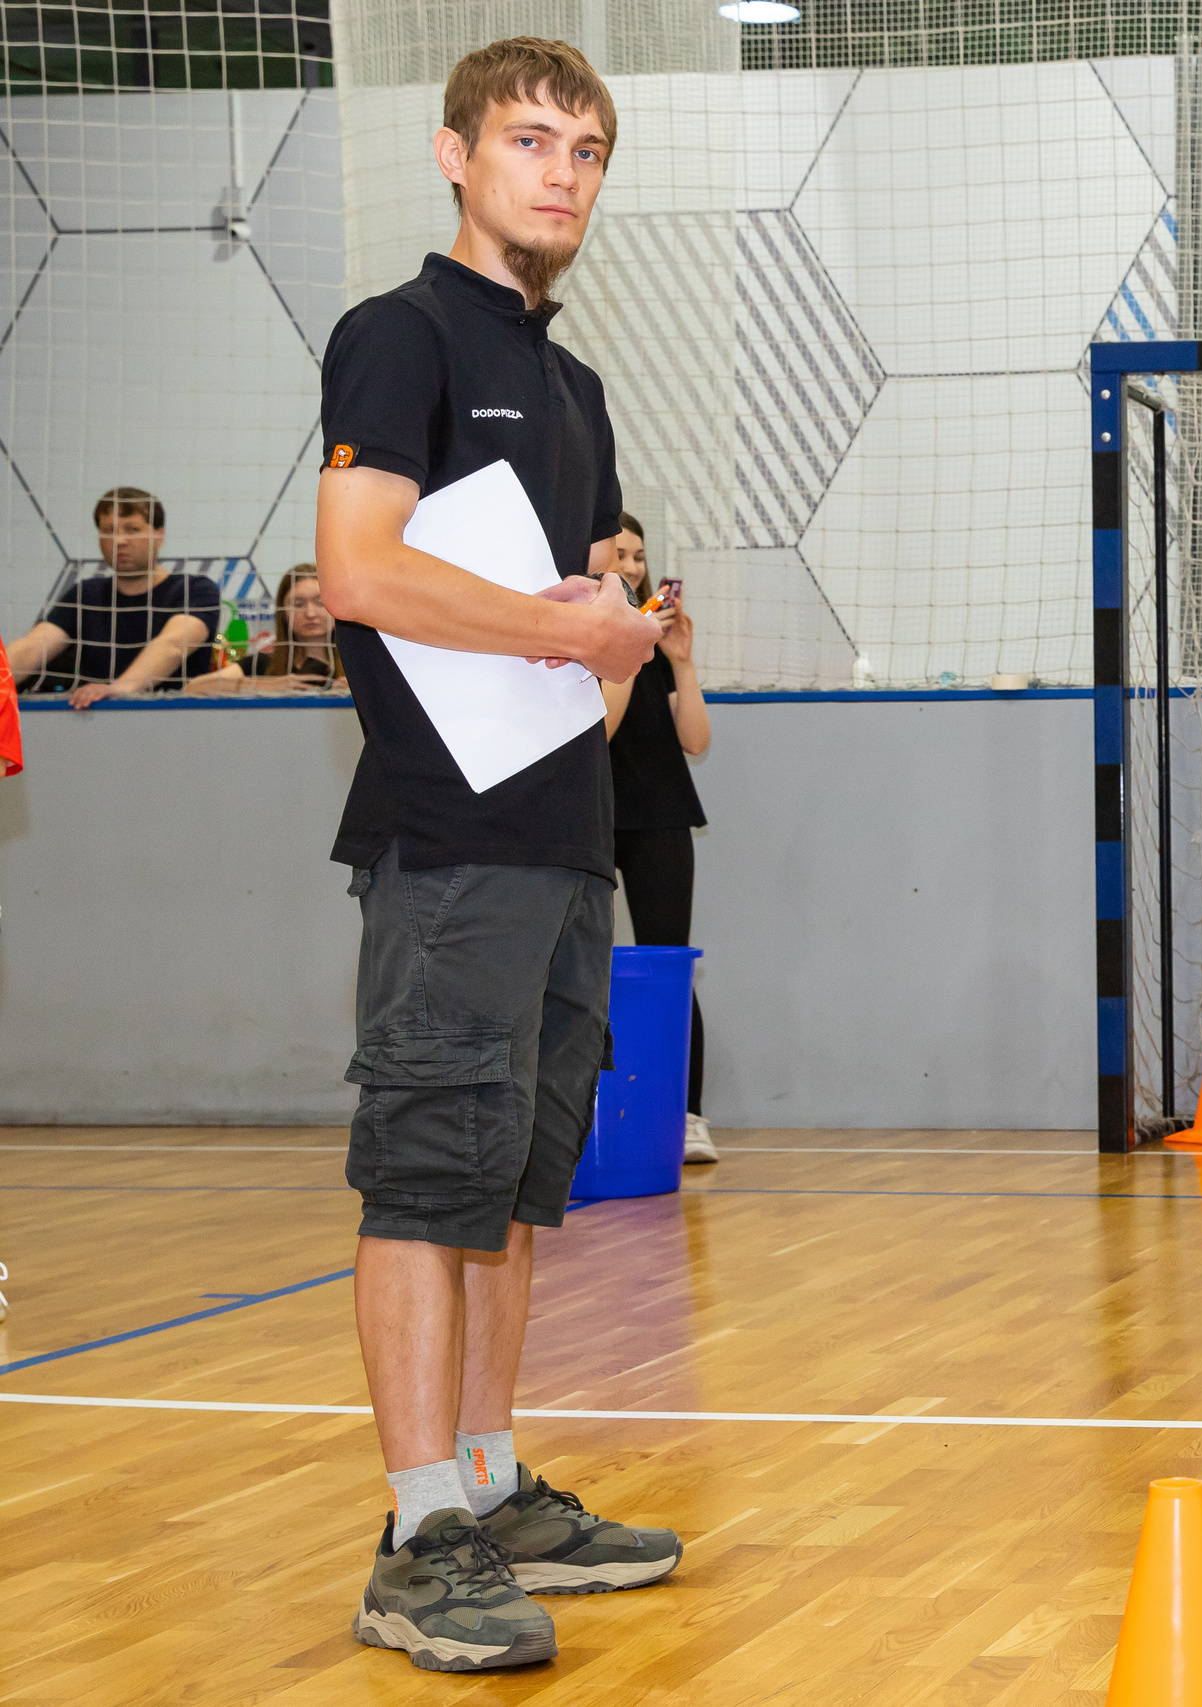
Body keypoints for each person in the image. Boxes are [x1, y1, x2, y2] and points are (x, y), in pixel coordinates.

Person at [315, 36, 679, 1674]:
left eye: (587, 151)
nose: (561, 173)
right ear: (457, 156)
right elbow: (363, 572)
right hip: (446, 845)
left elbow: (572, 666)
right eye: (531, 141)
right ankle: (415, 1534)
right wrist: (563, 620)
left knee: (516, 1192)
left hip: (558, 838)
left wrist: (613, 641)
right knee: (426, 1178)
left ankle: (486, 1478)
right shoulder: (397, 338)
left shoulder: (584, 390)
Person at [601, 512, 716, 1164]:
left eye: (640, 556)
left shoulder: (658, 646)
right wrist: (624, 642)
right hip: (591, 816)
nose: (634, 566)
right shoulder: (585, 638)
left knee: (670, 965)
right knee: (579, 970)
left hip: (662, 817)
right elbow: (599, 732)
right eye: (620, 554)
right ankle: (588, 1115)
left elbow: (696, 740)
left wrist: (682, 662)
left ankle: (690, 1115)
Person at [6, 489, 227, 706]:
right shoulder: (86, 594)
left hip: (178, 724)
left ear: (159, 534)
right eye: (109, 530)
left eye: (132, 529)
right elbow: (33, 647)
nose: (120, 540)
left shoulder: (194, 590)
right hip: (95, 724)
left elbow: (174, 645)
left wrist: (119, 689)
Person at [183, 564, 344, 694]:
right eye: (298, 604)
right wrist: (265, 686)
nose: (310, 613)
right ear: (282, 612)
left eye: (320, 602)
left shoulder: (357, 665)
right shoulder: (263, 663)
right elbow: (194, 687)